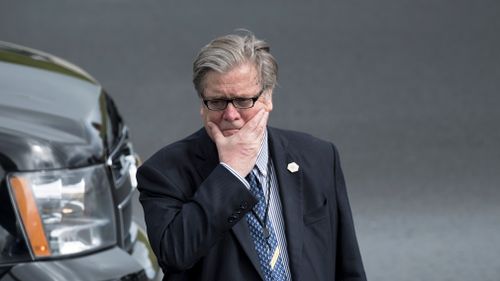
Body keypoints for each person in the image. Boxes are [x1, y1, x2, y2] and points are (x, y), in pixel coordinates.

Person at [137, 31, 367, 281]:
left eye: (243, 100)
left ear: (267, 98)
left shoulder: (319, 157)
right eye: (217, 101)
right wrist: (231, 174)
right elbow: (175, 254)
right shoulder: (165, 171)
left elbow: (347, 265)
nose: (231, 114)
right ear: (202, 105)